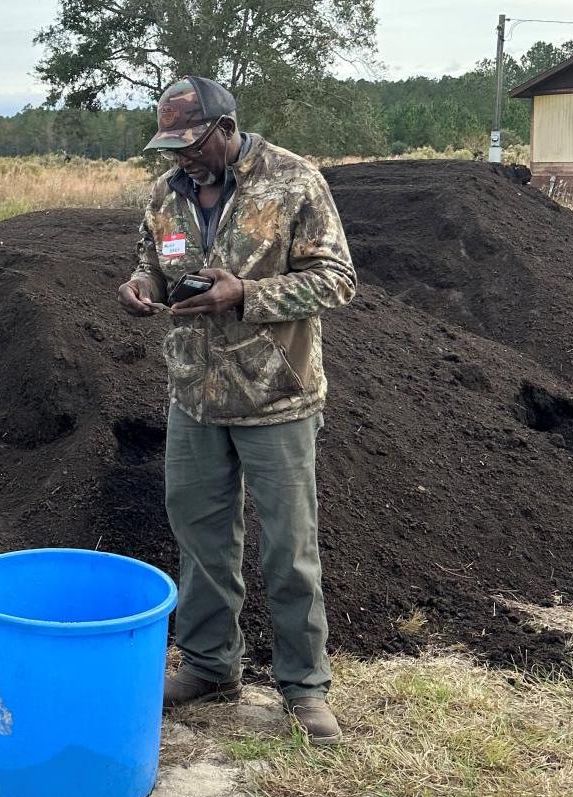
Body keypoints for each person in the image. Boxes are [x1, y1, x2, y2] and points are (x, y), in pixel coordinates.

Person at [117, 77, 356, 746]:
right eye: (171, 148)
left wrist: (245, 294)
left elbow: (338, 278)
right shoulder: (166, 194)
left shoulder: (293, 181)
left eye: (192, 145)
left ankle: (304, 688)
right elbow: (151, 261)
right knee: (200, 537)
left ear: (226, 129)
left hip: (276, 394)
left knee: (289, 549)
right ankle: (208, 665)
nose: (181, 160)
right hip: (194, 392)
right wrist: (140, 286)